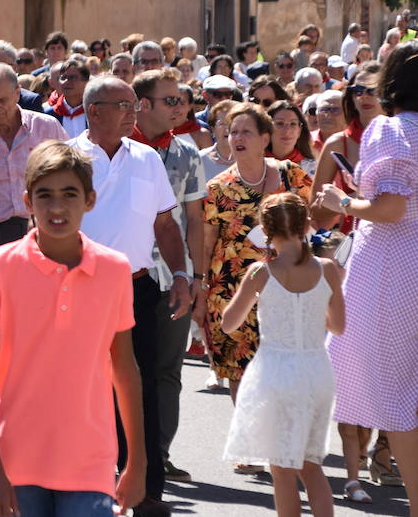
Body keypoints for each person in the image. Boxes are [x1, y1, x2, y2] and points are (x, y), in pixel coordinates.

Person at [0, 141, 145, 517]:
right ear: (27, 201)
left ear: (90, 200)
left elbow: (125, 369)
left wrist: (138, 462)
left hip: (91, 461)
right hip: (15, 460)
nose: (57, 207)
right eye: (44, 195)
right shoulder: (1, 266)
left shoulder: (115, 269)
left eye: (70, 194)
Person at [70, 75, 190, 517]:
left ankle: (147, 492)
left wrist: (179, 273)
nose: (133, 112)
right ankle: (88, 486)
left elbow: (164, 225)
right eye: (123, 105)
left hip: (137, 287)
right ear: (94, 110)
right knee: (85, 390)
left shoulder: (147, 159)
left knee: (140, 390)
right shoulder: (67, 158)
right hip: (78, 287)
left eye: (135, 105)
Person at [314, 40, 418, 514]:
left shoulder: (391, 130)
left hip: (395, 270)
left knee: (396, 398)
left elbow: (392, 208)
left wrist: (345, 203)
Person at [221, 193, 345, 517]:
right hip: (316, 370)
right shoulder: (328, 269)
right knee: (311, 466)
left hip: (276, 371)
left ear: (265, 229)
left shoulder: (260, 273)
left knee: (282, 471)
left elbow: (228, 323)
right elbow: (339, 326)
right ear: (306, 225)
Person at [199, 103, 313, 400]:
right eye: (232, 132)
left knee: (286, 371)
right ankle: (249, 441)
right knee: (241, 373)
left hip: (287, 287)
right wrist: (200, 287)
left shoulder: (291, 174)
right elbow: (206, 242)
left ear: (265, 138)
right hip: (232, 289)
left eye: (246, 132)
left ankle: (283, 440)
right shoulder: (217, 188)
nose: (237, 138)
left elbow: (312, 222)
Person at [130, 70, 208, 484]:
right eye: (171, 101)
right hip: (127, 274)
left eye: (182, 100)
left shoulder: (188, 152)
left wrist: (197, 275)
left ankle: (159, 452)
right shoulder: (119, 150)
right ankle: (125, 452)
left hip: (173, 275)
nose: (181, 108)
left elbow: (195, 218)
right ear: (143, 105)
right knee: (126, 366)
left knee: (166, 369)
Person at [0, 64, 66, 247]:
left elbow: (70, 176)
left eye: (2, 100)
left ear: (17, 93)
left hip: (44, 229)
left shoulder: (47, 128)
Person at [312, 62, 384, 203]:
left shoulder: (405, 136)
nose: (363, 96)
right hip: (353, 224)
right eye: (358, 90)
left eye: (372, 90)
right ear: (351, 96)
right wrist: (347, 200)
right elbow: (315, 210)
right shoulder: (337, 143)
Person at [47, 57, 91, 137]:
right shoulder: (49, 115)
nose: (67, 81)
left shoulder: (95, 113)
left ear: (86, 82)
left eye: (73, 78)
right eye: (63, 78)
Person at [200, 99, 238, 182]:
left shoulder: (253, 159)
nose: (228, 128)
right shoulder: (199, 159)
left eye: (233, 123)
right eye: (222, 124)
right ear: (213, 128)